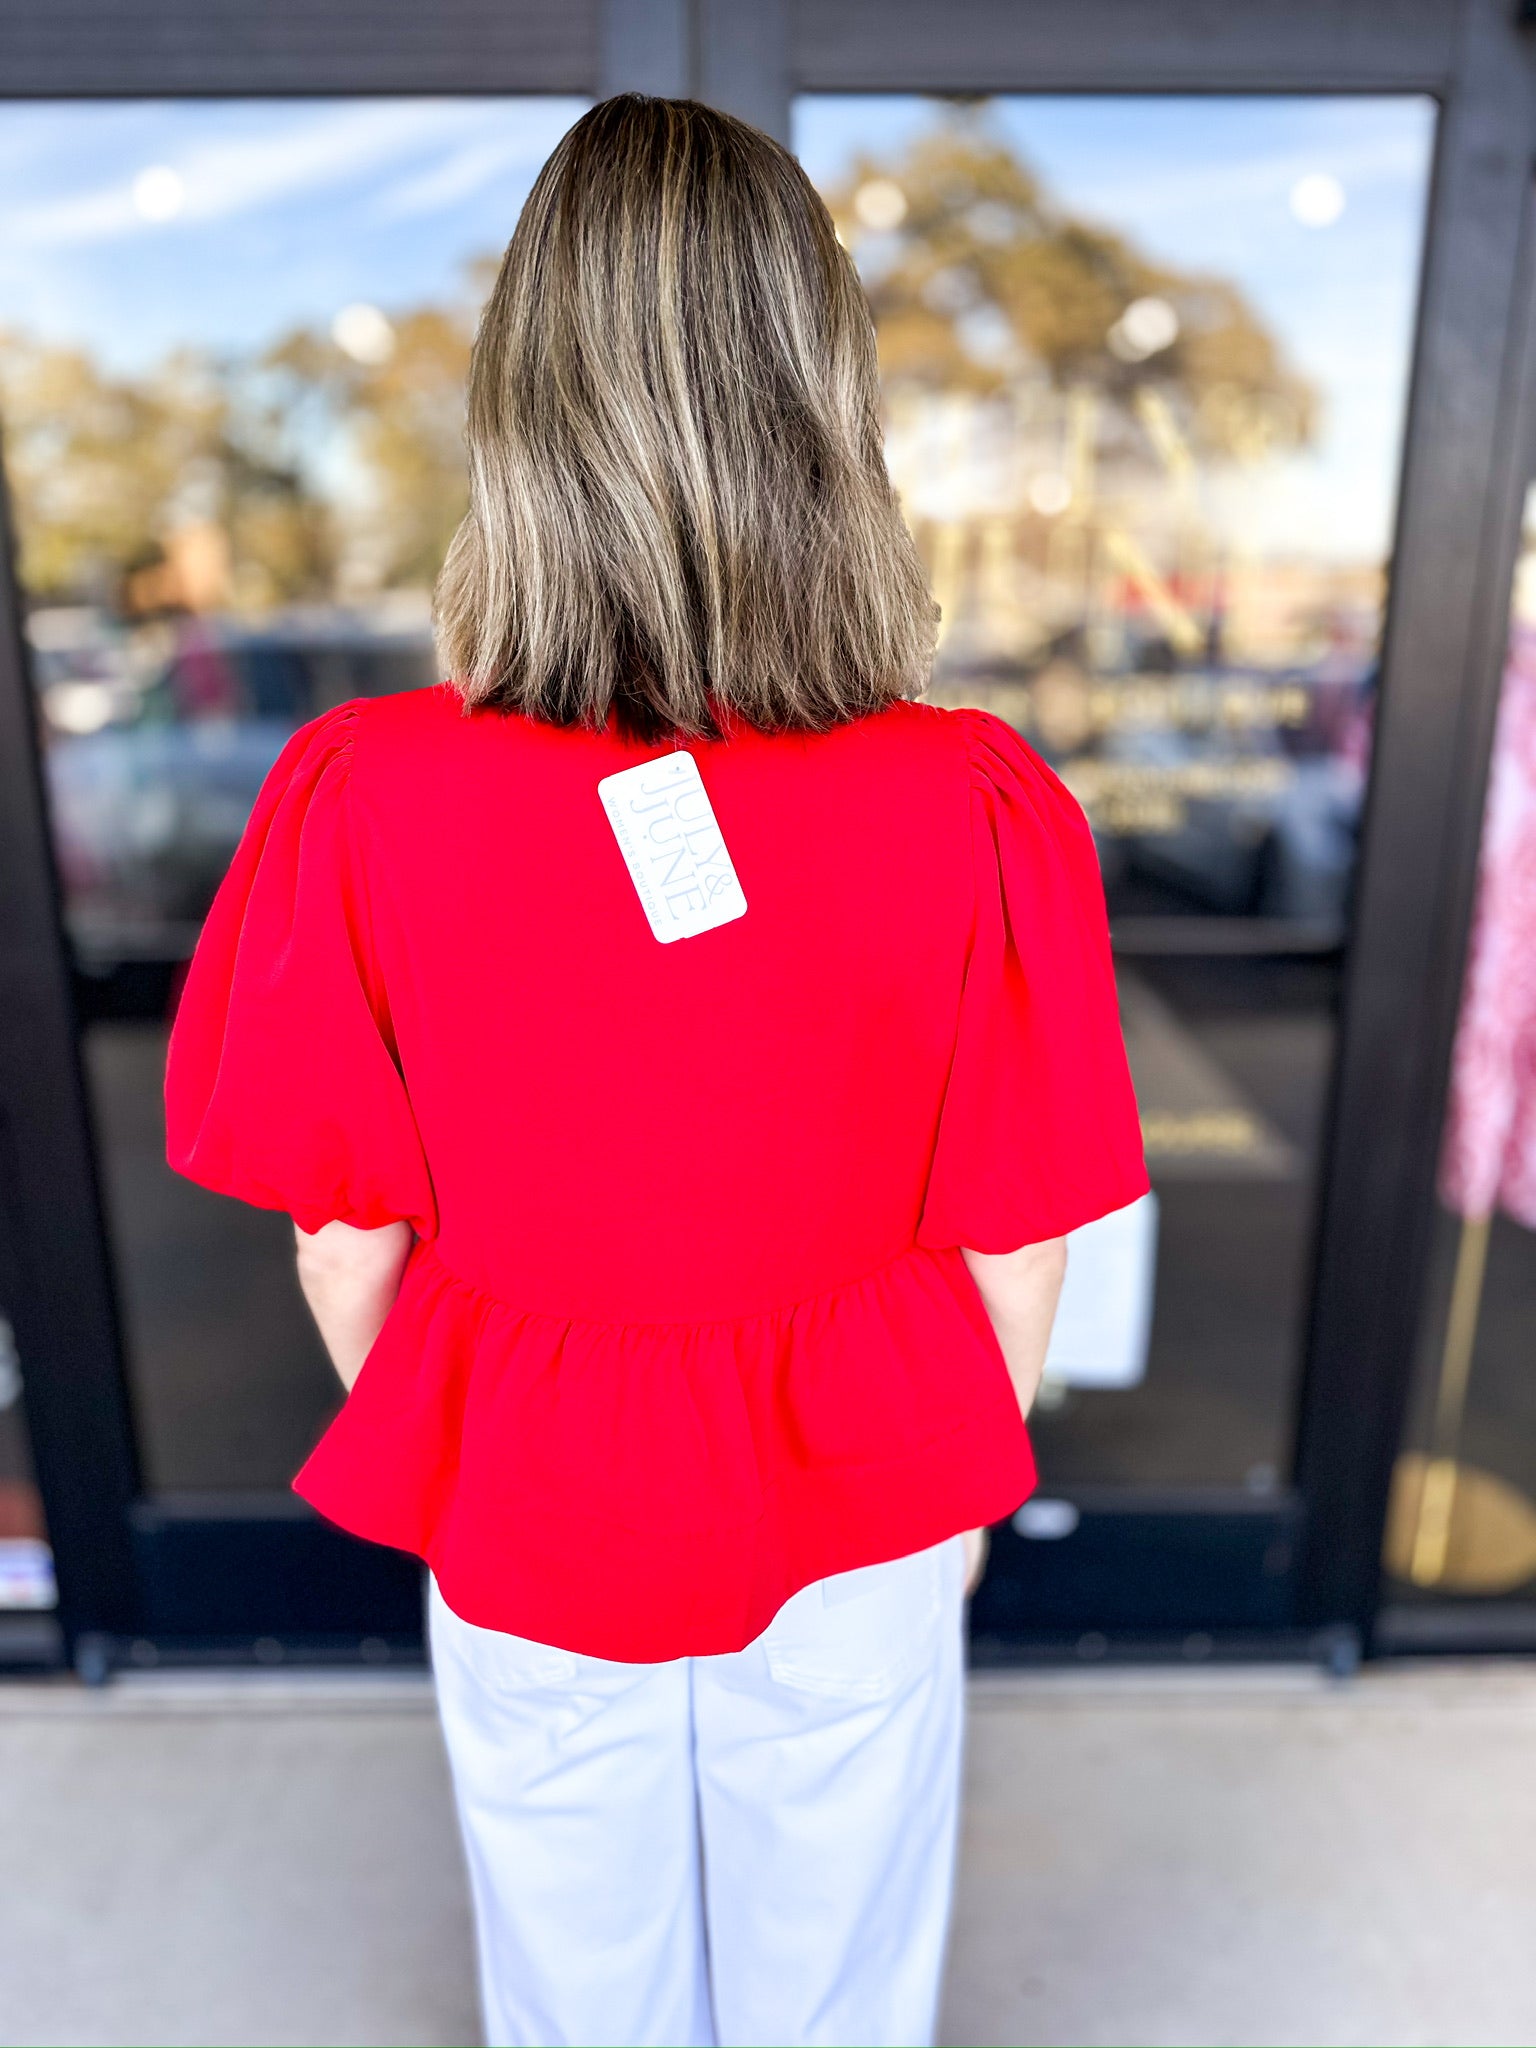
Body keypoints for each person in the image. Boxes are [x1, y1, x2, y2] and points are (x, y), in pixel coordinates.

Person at [164, 94, 1147, 2048]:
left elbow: (343, 1239)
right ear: (818, 407)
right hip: (866, 1469)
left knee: (570, 1966)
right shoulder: (971, 801)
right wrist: (957, 1489)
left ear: (522, 410)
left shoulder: (365, 793)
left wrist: (472, 1445)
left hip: (531, 1478)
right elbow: (1017, 1234)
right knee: (841, 1967)